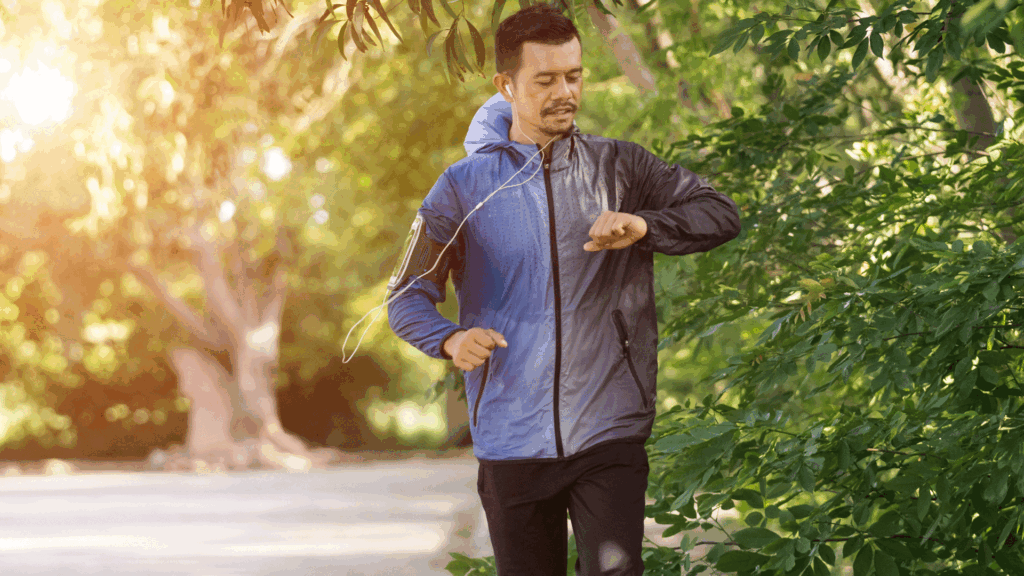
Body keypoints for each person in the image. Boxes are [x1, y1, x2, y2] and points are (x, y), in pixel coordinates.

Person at [387, 4, 742, 574]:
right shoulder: (462, 187)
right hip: (509, 439)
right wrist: (450, 341)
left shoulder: (619, 166)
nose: (564, 93)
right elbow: (405, 294)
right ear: (506, 85)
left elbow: (720, 212)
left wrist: (646, 226)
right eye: (545, 80)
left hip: (609, 432)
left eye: (573, 76)